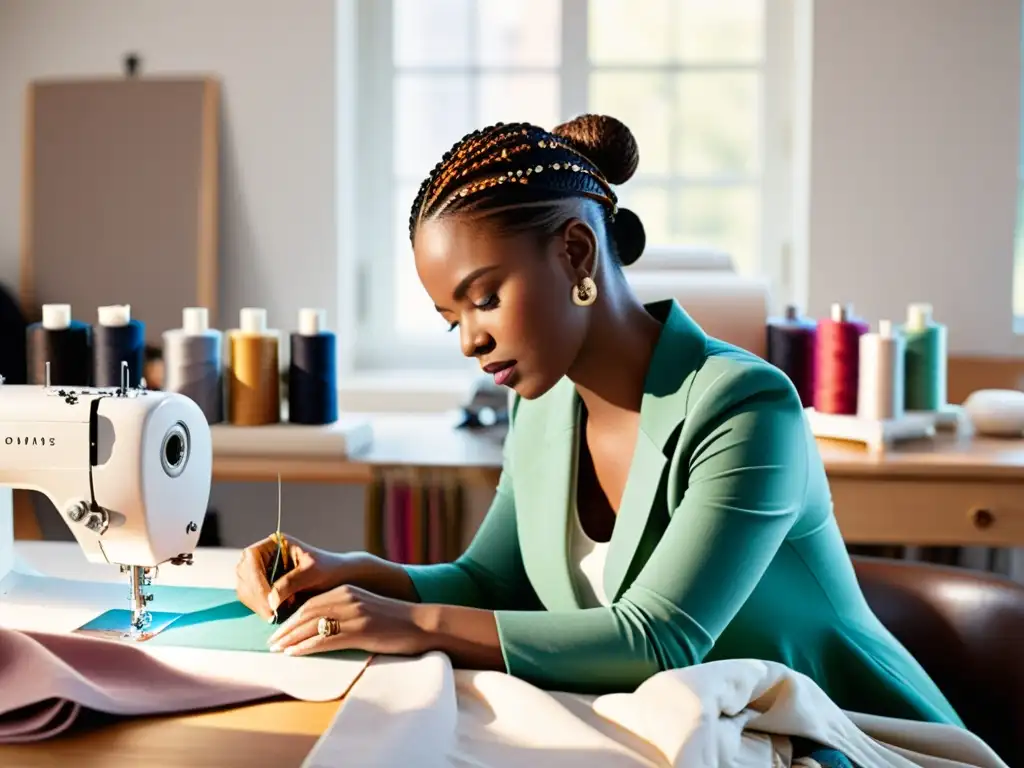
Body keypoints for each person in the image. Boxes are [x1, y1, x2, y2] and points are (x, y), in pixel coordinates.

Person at [235, 114, 962, 729]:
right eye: (450, 318)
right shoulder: (543, 404)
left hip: (850, 735)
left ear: (576, 251)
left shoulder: (745, 407)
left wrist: (409, 623)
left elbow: (660, 638)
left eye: (484, 298)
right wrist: (352, 575)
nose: (468, 340)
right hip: (712, 734)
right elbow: (490, 582)